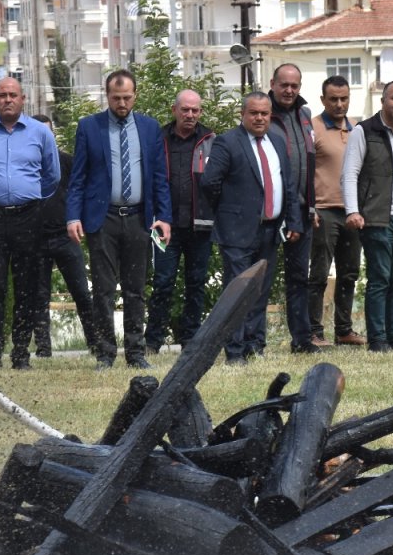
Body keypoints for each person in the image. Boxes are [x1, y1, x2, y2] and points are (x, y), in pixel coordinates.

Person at [66, 69, 171, 370]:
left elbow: (160, 178)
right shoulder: (89, 127)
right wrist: (73, 216)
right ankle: (105, 353)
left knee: (136, 288)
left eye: (127, 98)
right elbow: (78, 178)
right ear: (107, 95)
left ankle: (135, 352)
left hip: (140, 218)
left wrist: (163, 217)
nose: (122, 103)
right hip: (103, 219)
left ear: (135, 95)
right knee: (103, 289)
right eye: (116, 98)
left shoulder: (150, 128)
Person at [199, 92, 302, 365]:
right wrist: (231, 209)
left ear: (271, 115)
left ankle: (255, 346)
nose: (259, 118)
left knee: (260, 290)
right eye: (254, 113)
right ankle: (234, 351)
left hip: (270, 230)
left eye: (264, 113)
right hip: (236, 231)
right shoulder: (227, 142)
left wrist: (293, 221)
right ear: (243, 114)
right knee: (237, 292)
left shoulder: (277, 143)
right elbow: (209, 182)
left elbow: (288, 186)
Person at [0, 77, 60, 371]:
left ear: (23, 99)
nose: (8, 100)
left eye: (13, 95)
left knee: (27, 287)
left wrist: (28, 198)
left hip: (28, 217)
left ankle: (21, 352)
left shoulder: (40, 133)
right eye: (2, 95)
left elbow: (52, 176)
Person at [342, 80, 393, 352]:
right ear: (383, 100)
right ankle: (378, 338)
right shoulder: (364, 131)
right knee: (380, 278)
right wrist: (353, 210)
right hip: (377, 217)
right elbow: (350, 174)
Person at [146, 89, 215, 354]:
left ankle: (191, 341)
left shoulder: (211, 140)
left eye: (195, 110)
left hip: (201, 227)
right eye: (185, 109)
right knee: (162, 282)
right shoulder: (158, 138)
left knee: (196, 283)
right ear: (174, 110)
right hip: (162, 227)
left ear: (200, 112)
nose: (190, 115)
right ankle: (152, 342)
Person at [30, 114, 99, 357]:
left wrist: (80, 221)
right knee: (38, 297)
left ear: (53, 134)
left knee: (81, 291)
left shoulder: (67, 162)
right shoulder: (25, 163)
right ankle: (43, 348)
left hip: (65, 236)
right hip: (35, 238)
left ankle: (95, 342)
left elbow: (81, 191)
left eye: (47, 133)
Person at [268, 64, 320, 354]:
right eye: (284, 84)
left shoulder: (304, 115)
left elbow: (310, 163)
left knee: (299, 277)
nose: (289, 90)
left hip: (301, 210)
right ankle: (251, 341)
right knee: (260, 278)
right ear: (273, 83)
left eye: (294, 85)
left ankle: (301, 340)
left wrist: (311, 206)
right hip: (270, 211)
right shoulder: (263, 112)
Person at [309, 75, 365, 348]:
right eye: (333, 99)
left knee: (349, 273)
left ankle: (344, 330)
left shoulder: (356, 129)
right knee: (319, 274)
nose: (339, 104)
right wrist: (310, 208)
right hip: (324, 210)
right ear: (323, 100)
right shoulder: (314, 128)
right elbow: (304, 171)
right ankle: (313, 331)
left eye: (344, 98)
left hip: (352, 212)